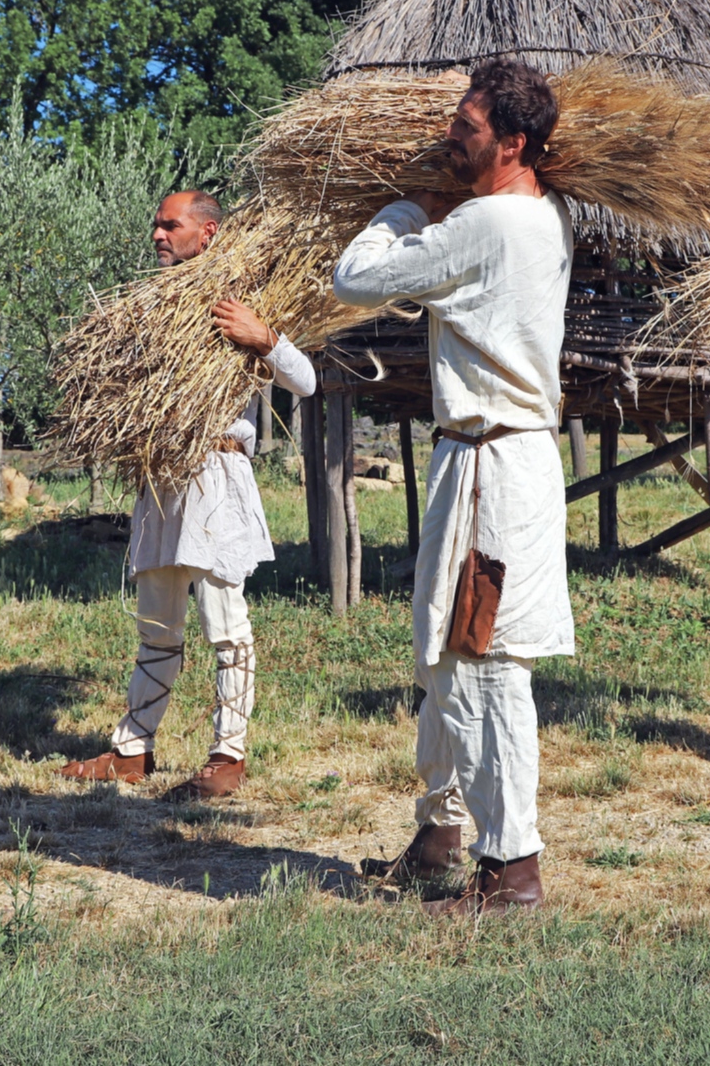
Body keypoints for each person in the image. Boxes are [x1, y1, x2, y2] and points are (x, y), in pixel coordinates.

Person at [333, 59, 574, 914]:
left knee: (487, 663)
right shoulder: (542, 215)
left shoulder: (491, 223)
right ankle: (441, 832)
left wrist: (403, 210)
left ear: (512, 142)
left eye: (465, 128)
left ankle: (512, 869)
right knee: (443, 652)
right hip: (482, 456)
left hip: (493, 471)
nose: (449, 137)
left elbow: (356, 279)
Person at [60, 191, 317, 800]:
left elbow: (305, 381)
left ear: (205, 234)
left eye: (168, 225)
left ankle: (228, 755)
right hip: (161, 479)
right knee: (156, 625)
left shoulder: (241, 303)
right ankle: (132, 750)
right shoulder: (150, 306)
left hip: (216, 479)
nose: (157, 235)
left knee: (226, 625)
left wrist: (264, 337)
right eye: (154, 224)